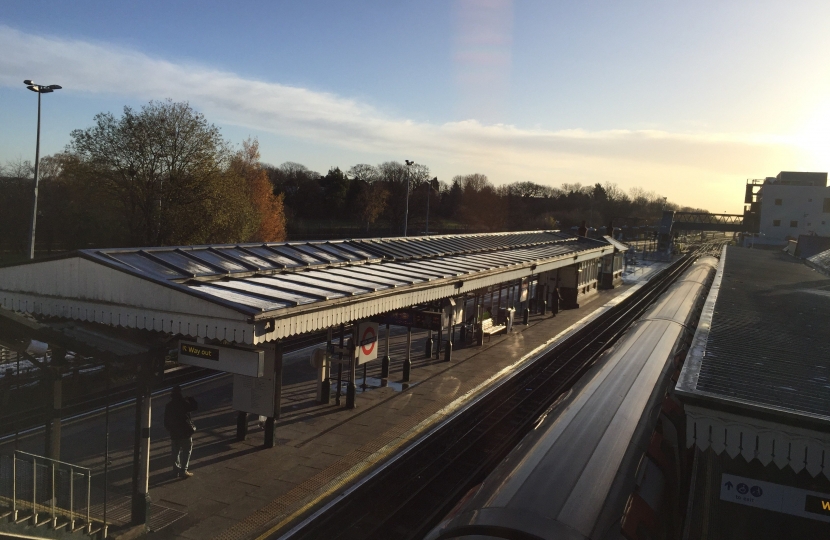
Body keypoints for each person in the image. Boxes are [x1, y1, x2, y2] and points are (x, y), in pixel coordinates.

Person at [164, 385, 198, 479]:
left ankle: (175, 471)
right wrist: (190, 398)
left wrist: (169, 429)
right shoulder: (184, 403)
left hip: (174, 433)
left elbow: (166, 420)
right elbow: (195, 407)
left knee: (175, 452)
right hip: (185, 432)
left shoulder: (169, 405)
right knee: (187, 451)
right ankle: (183, 470)